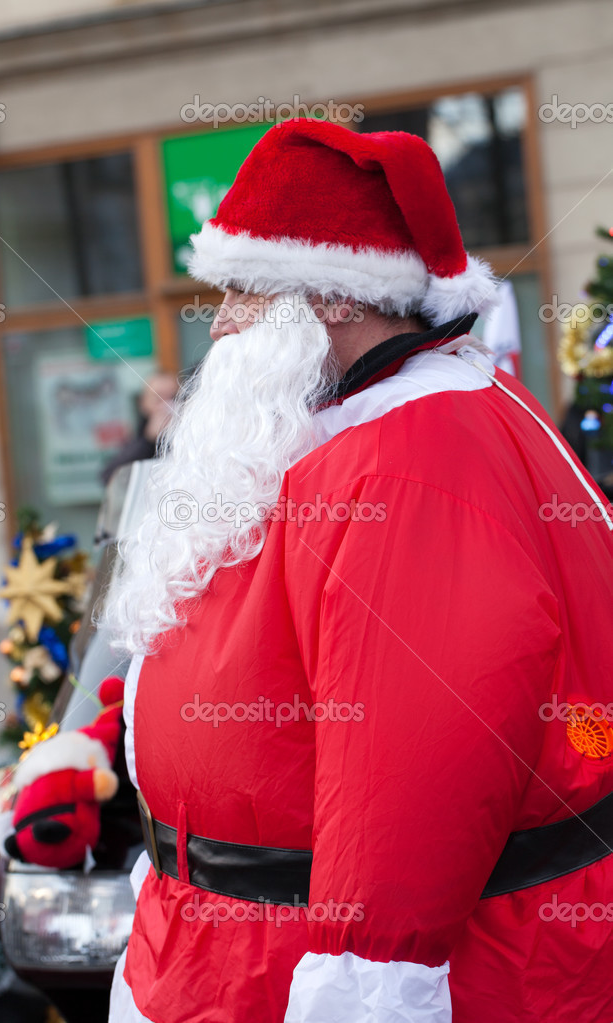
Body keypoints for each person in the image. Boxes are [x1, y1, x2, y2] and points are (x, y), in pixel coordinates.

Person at [105, 118, 613, 1022]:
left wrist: (364, 979)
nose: (218, 321)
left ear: (338, 298)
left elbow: (413, 772)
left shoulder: (408, 460)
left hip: (324, 963)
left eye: (243, 290)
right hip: (227, 951)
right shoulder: (359, 428)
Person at [100, 372, 178, 485]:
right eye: (158, 399)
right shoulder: (137, 437)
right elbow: (110, 476)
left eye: (172, 398)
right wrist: (148, 441)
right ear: (143, 403)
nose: (166, 405)